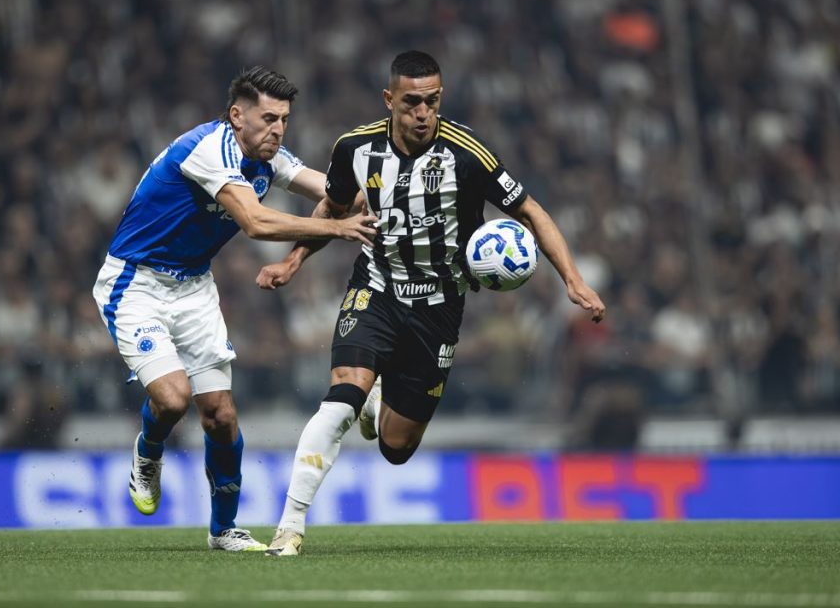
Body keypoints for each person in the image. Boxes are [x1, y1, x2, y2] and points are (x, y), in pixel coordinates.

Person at [256, 51, 606, 556]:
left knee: (397, 448)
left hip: (440, 308)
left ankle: (380, 398)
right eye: (413, 102)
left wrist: (572, 279)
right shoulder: (354, 148)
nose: (424, 112)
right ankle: (290, 526)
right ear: (390, 100)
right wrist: (294, 262)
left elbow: (530, 210)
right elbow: (331, 207)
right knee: (341, 400)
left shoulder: (469, 154)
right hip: (375, 288)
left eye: (433, 101)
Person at [91, 66, 377, 552]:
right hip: (135, 283)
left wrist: (384, 199)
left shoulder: (271, 159)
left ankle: (223, 530)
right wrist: (337, 229)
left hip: (194, 288)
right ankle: (149, 448)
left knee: (221, 415)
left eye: (284, 119)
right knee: (174, 399)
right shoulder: (209, 149)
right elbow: (256, 222)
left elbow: (337, 191)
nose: (278, 129)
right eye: (268, 118)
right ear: (236, 115)